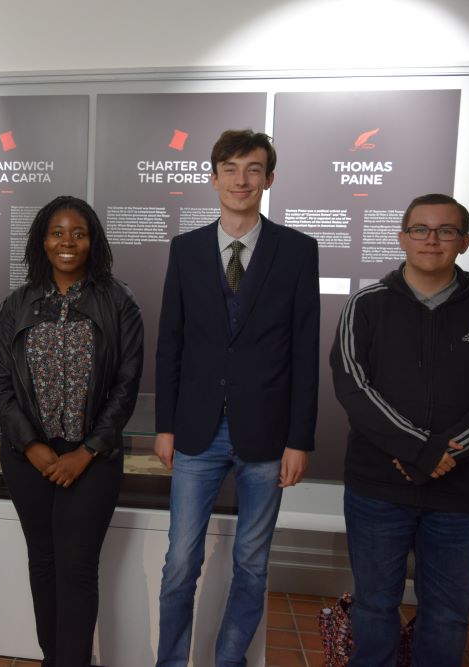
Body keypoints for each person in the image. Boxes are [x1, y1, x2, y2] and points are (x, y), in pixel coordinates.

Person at [330, 193, 469, 666]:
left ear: (465, 241)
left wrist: (442, 454)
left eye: (446, 231)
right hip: (377, 489)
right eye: (420, 229)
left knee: (448, 614)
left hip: (458, 495)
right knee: (375, 606)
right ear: (402, 237)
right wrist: (419, 450)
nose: (431, 240)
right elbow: (353, 387)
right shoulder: (366, 305)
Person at [154, 129, 320, 666]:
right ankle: (170, 661)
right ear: (213, 177)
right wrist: (165, 425)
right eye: (230, 168)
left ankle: (229, 661)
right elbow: (171, 341)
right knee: (181, 559)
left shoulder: (297, 250)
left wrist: (300, 439)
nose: (241, 179)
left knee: (252, 561)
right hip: (196, 428)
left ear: (269, 179)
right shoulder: (185, 249)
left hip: (267, 434)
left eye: (253, 169)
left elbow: (304, 350)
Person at [0, 195, 145, 667]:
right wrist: (31, 445)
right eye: (57, 232)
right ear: (42, 240)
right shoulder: (17, 304)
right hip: (28, 460)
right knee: (43, 563)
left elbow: (126, 384)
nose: (67, 242)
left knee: (77, 570)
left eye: (78, 233)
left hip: (90, 460)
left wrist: (89, 450)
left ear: (93, 241)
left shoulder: (119, 303)